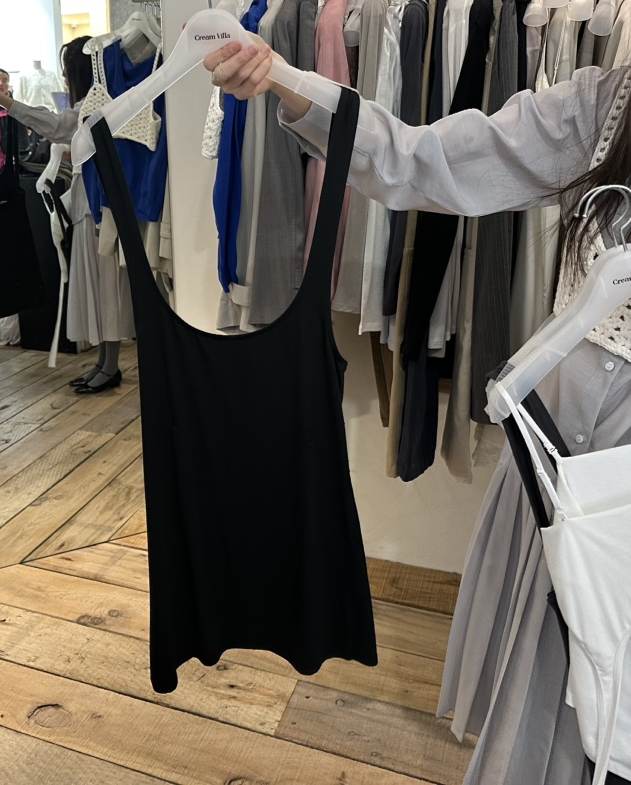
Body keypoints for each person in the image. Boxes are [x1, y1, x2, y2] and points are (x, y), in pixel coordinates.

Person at [204, 42, 631, 784]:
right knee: (553, 718)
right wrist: (285, 78)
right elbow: (424, 158)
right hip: (554, 472)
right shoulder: (606, 107)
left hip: (600, 486)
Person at [0, 38, 132, 395]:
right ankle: (105, 362)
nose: (65, 78)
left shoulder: (97, 105)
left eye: (68, 71)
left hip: (98, 207)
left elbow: (56, 126)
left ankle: (110, 365)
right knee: (96, 287)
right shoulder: (92, 105)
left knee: (105, 287)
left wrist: (2, 101)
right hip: (88, 204)